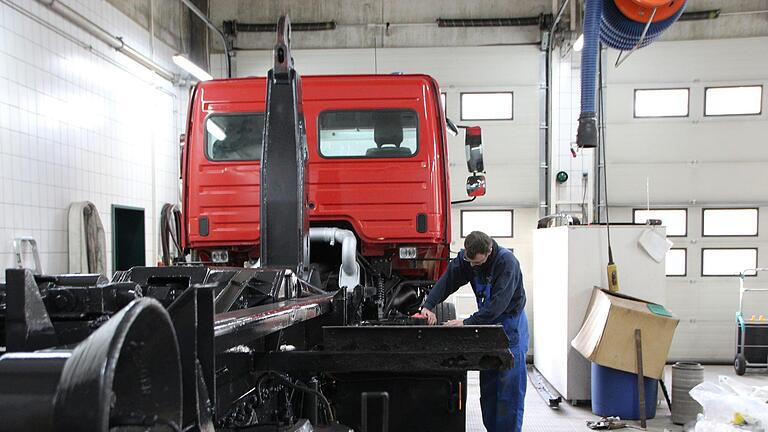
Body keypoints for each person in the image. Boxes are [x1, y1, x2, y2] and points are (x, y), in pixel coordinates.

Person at [418, 230, 528, 432]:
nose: (472, 267)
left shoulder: (507, 263)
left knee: (508, 389)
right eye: (470, 262)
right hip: (487, 325)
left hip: (510, 325)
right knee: (489, 387)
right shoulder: (467, 259)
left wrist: (467, 323)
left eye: (477, 263)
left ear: (489, 252)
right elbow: (448, 281)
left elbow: (498, 306)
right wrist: (429, 305)